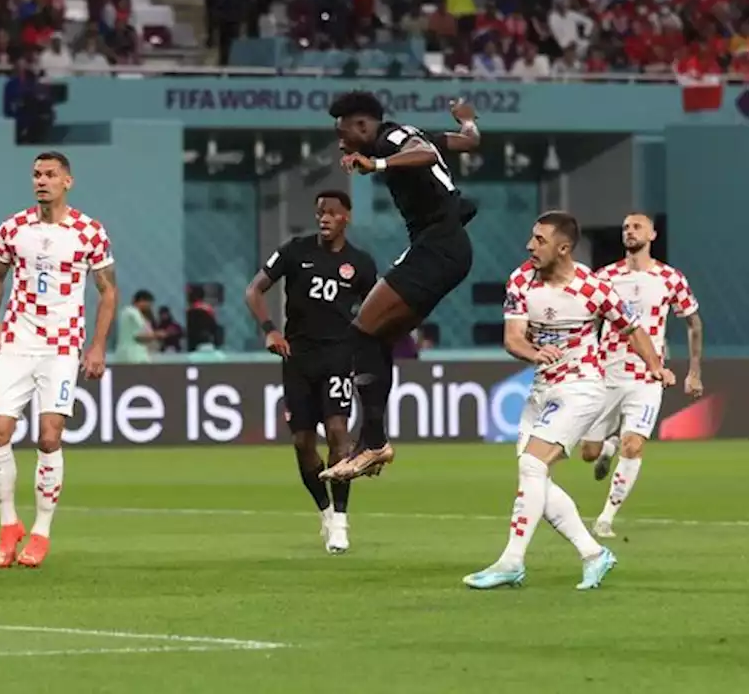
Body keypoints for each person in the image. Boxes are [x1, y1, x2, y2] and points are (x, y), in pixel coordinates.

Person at [463, 212, 674, 591]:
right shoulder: (521, 280)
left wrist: (656, 366)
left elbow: (632, 329)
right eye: (531, 238)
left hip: (582, 387)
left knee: (531, 466)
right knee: (535, 479)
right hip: (542, 389)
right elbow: (513, 338)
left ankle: (511, 561)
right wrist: (533, 353)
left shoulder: (594, 289)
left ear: (563, 248)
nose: (530, 246)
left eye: (539, 240)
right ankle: (594, 554)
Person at [322, 93, 482, 481]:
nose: (340, 141)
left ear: (362, 126)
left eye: (343, 132)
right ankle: (371, 444)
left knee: (362, 332)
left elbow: (424, 154)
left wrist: (375, 163)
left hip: (438, 248)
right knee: (374, 339)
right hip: (443, 248)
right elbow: (468, 142)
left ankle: (374, 442)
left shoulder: (392, 139)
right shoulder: (412, 134)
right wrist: (467, 120)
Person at [0, 151, 117, 569]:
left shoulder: (89, 232)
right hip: (18, 342)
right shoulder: (13, 228)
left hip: (62, 347)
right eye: (37, 174)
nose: (42, 180)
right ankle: (9, 524)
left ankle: (41, 531)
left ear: (67, 181)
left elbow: (107, 291)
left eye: (50, 174)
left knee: (49, 437)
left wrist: (96, 346)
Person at [245, 190, 378, 554]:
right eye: (320, 211)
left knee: (338, 431)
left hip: (338, 356)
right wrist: (270, 329)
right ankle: (324, 509)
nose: (324, 218)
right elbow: (254, 290)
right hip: (298, 357)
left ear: (345, 218)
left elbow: (375, 312)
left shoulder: (362, 264)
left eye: (332, 213)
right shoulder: (295, 251)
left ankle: (341, 519)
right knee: (303, 442)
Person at [578, 213, 702, 538]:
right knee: (588, 453)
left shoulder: (670, 278)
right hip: (605, 374)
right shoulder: (604, 278)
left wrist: (694, 372)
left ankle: (606, 517)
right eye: (625, 228)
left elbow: (693, 323)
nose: (630, 232)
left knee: (634, 447)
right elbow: (586, 321)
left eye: (637, 227)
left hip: (647, 376)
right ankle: (608, 445)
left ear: (652, 234)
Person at [115, 289, 158, 363]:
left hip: (123, 355)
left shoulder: (124, 312)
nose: (150, 307)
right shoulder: (134, 313)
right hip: (135, 357)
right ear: (142, 300)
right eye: (149, 304)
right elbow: (138, 336)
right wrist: (157, 335)